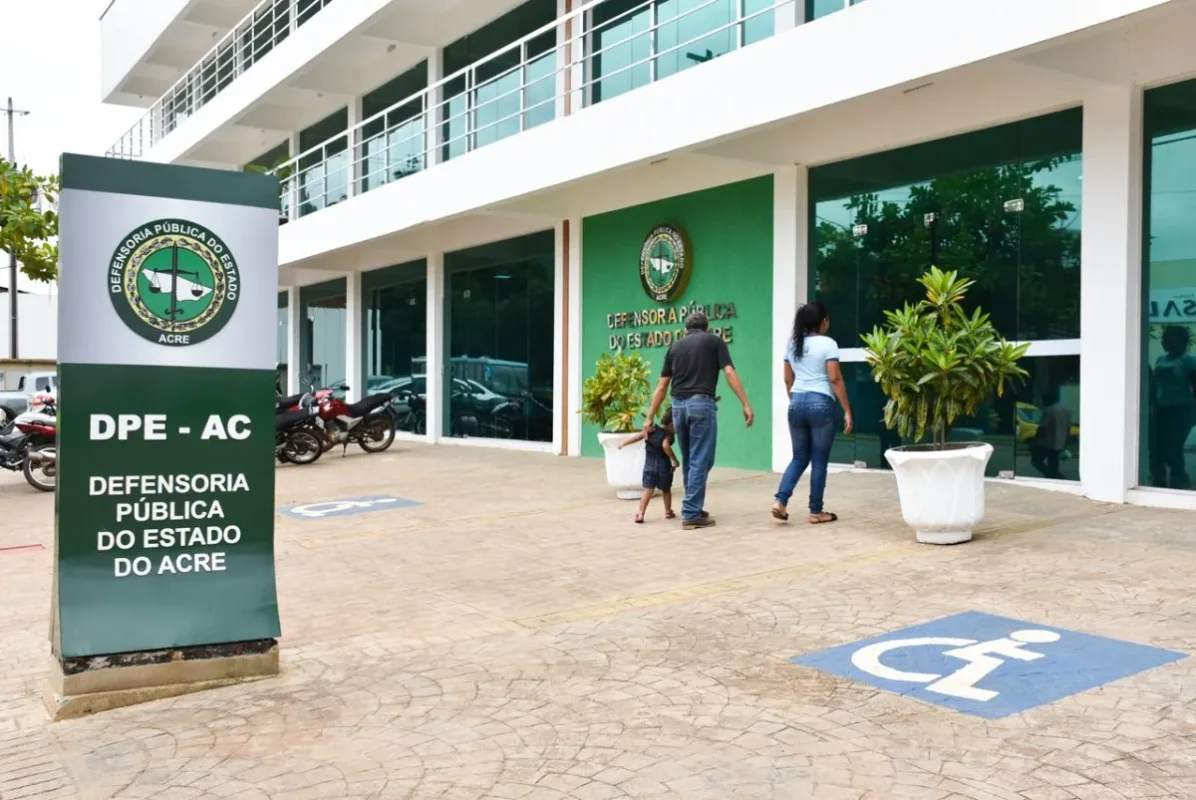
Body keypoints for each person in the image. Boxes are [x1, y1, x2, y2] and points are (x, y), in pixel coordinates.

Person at [643, 310, 754, 530]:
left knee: (691, 458)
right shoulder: (714, 341)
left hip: (677, 407)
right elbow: (729, 372)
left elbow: (662, 385)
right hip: (701, 405)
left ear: (685, 330)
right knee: (702, 460)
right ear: (707, 328)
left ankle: (693, 504)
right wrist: (745, 403)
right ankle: (692, 512)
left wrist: (649, 417)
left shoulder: (675, 347)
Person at [771, 302, 852, 524]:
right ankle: (816, 511)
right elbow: (834, 378)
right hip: (820, 403)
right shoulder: (828, 344)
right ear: (823, 321)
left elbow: (788, 380)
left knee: (799, 457)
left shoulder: (792, 345)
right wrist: (846, 410)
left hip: (796, 401)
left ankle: (780, 501)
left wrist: (796, 402)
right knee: (819, 461)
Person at [1151, 326, 1196, 489]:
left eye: (1169, 339)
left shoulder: (1188, 361)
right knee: (1158, 447)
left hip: (1180, 409)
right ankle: (1160, 479)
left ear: (1181, 341)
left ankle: (1180, 480)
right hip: (1161, 409)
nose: (1164, 342)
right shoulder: (1160, 360)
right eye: (1164, 339)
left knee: (1173, 447)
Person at [619, 408, 679, 523]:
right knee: (666, 490)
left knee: (647, 490)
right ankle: (668, 512)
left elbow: (637, 437)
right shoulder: (668, 434)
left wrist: (623, 444)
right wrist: (675, 460)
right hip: (663, 467)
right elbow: (665, 446)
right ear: (671, 424)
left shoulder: (651, 430)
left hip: (649, 466)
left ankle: (640, 514)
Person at [1030, 388, 1070, 480]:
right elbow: (1068, 429)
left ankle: (1058, 477)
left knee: (1036, 460)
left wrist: (1036, 440)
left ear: (1048, 400)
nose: (1043, 403)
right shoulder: (1066, 411)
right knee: (1053, 464)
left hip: (1046, 443)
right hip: (1060, 443)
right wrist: (1065, 442)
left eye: (1043, 400)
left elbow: (1042, 427)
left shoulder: (1048, 411)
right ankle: (1053, 478)